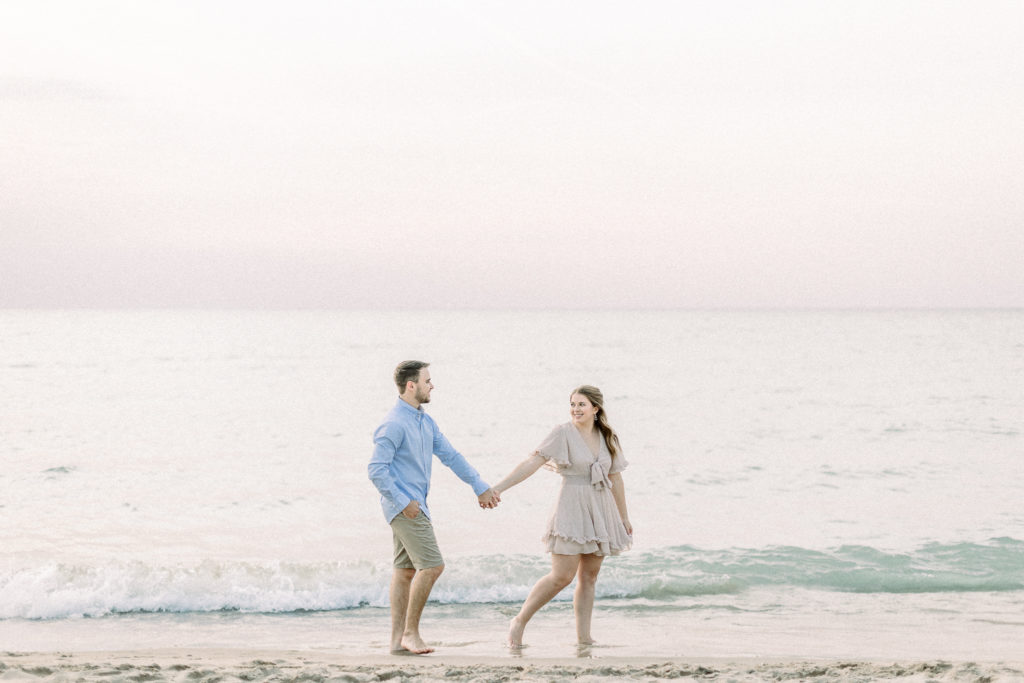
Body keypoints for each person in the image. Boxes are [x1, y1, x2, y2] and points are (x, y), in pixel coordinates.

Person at [368, 360, 501, 655]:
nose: (432, 385)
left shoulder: (424, 421)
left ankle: (396, 642)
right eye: (427, 381)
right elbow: (376, 470)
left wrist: (479, 486)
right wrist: (404, 503)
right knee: (432, 566)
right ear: (411, 385)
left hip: (414, 505)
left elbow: (451, 456)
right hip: (405, 507)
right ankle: (410, 634)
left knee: (404, 572)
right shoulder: (394, 423)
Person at [493, 385, 632, 649]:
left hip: (600, 509)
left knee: (589, 577)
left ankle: (584, 639)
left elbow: (616, 478)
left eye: (581, 404)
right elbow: (532, 463)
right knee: (561, 576)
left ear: (595, 408)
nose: (575, 409)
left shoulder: (608, 437)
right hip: (571, 506)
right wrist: (499, 488)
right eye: (572, 404)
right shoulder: (562, 433)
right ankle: (519, 621)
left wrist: (623, 518)